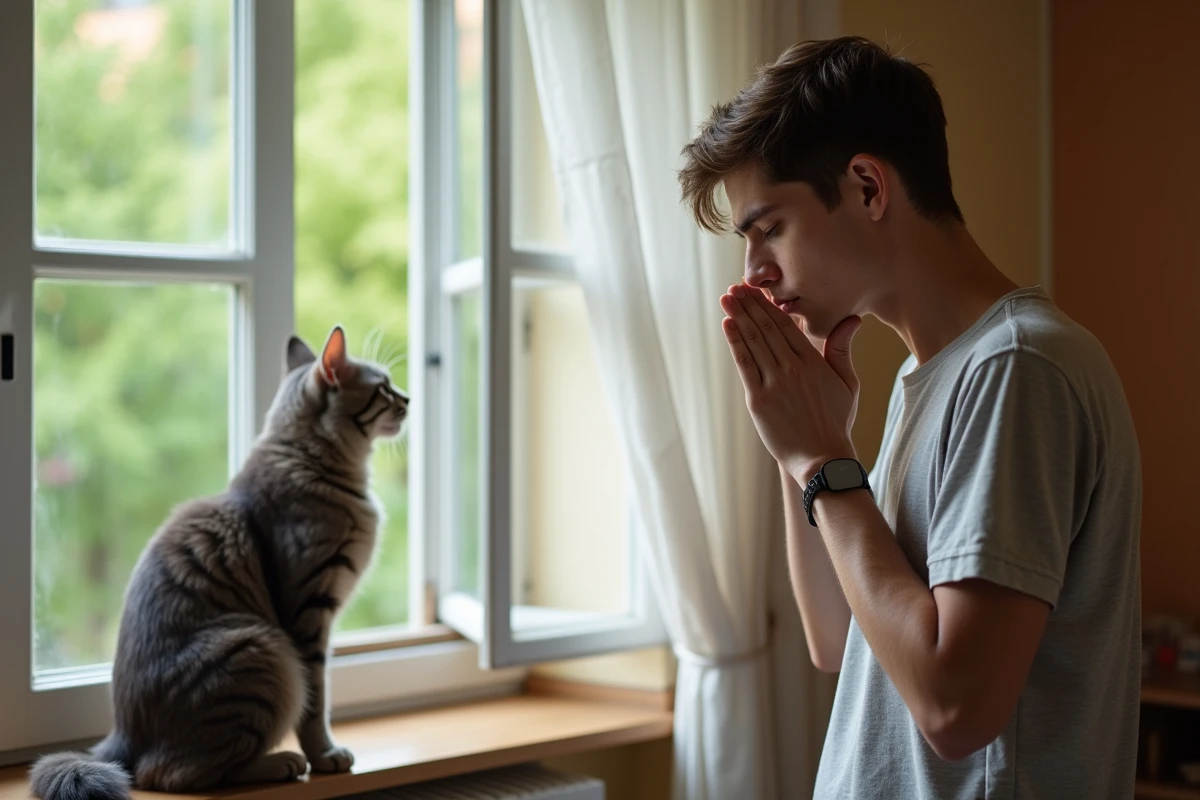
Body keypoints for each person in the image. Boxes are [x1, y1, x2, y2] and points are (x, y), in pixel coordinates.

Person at [678, 35, 1142, 798]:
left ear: (867, 187)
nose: (754, 271)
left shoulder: (1017, 367)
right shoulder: (927, 377)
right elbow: (838, 639)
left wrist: (826, 462)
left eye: (769, 228)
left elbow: (956, 707)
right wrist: (802, 450)